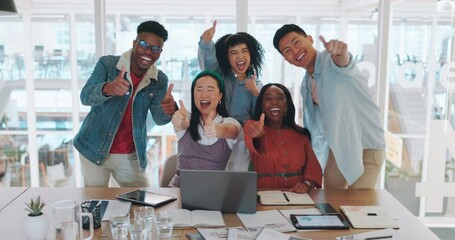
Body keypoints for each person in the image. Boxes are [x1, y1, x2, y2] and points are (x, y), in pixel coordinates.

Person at [273, 24, 386, 189]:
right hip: (339, 148)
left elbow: (343, 64)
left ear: (310, 39)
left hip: (366, 147)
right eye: (287, 50)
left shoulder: (330, 59)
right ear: (286, 59)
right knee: (331, 200)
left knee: (357, 208)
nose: (295, 51)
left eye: (296, 42)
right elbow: (315, 129)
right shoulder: (306, 84)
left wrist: (340, 53)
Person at [73, 20, 177, 187]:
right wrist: (108, 88)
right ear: (135, 43)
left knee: (142, 203)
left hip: (130, 155)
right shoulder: (107, 64)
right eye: (144, 44)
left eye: (155, 49)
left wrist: (169, 110)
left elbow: (159, 119)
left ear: (160, 53)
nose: (148, 52)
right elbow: (85, 97)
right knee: (96, 205)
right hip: (93, 149)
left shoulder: (159, 80)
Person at [198, 20, 265, 171]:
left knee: (237, 180)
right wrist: (206, 43)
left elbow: (259, 117)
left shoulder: (257, 84)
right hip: (218, 134)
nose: (240, 56)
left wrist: (256, 94)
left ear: (251, 54)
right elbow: (208, 63)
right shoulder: (220, 75)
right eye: (233, 53)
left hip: (243, 139)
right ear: (226, 57)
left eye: (244, 51)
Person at [244, 83, 322, 193]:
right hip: (263, 195)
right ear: (262, 105)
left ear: (286, 105)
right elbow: (250, 131)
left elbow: (313, 168)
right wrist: (256, 132)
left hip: (297, 196)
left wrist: (306, 184)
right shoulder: (252, 126)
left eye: (280, 98)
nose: (274, 102)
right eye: (268, 98)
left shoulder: (301, 135)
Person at [169, 70, 241, 187]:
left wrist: (217, 130)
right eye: (199, 90)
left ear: (220, 96)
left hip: (212, 194)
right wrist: (180, 121)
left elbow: (230, 131)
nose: (204, 95)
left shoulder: (229, 122)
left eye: (210, 90)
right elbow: (183, 123)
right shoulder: (186, 117)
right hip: (179, 192)